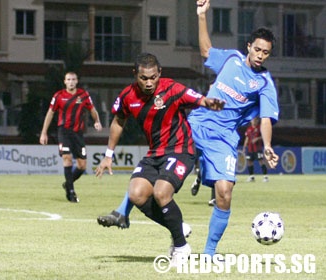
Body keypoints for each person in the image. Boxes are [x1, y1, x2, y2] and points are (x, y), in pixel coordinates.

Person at [95, 53, 225, 264]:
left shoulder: (172, 88)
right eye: (144, 78)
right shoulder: (127, 96)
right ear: (135, 74)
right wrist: (108, 155)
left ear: (160, 73)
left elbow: (198, 98)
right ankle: (177, 227)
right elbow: (118, 121)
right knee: (136, 194)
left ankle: (181, 247)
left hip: (181, 150)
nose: (149, 83)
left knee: (161, 192)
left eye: (153, 77)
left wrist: (208, 102)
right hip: (155, 153)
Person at [186, 0, 279, 257]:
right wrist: (202, 15)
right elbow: (206, 51)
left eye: (266, 52)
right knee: (165, 171)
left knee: (225, 192)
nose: (260, 55)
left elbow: (267, 118)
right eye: (257, 49)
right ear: (248, 46)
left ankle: (209, 253)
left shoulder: (264, 84)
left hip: (225, 137)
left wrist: (268, 146)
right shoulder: (231, 59)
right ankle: (125, 209)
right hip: (198, 123)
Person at [40, 72, 102, 203]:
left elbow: (92, 110)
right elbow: (50, 113)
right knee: (67, 159)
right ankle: (71, 192)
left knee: (82, 166)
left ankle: (68, 183)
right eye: (68, 79)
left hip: (78, 133)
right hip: (64, 132)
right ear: (65, 81)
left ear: (77, 81)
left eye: (73, 79)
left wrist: (97, 121)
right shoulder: (59, 96)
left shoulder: (83, 95)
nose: (71, 81)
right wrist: (44, 132)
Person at [242, 117, 269, 182]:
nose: (254, 121)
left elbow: (264, 136)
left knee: (261, 161)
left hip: (257, 148)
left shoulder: (260, 128)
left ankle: (265, 177)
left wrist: (258, 138)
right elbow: (247, 138)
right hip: (250, 148)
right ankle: (252, 176)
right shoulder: (249, 129)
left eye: (255, 120)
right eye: (253, 120)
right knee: (249, 161)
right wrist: (244, 147)